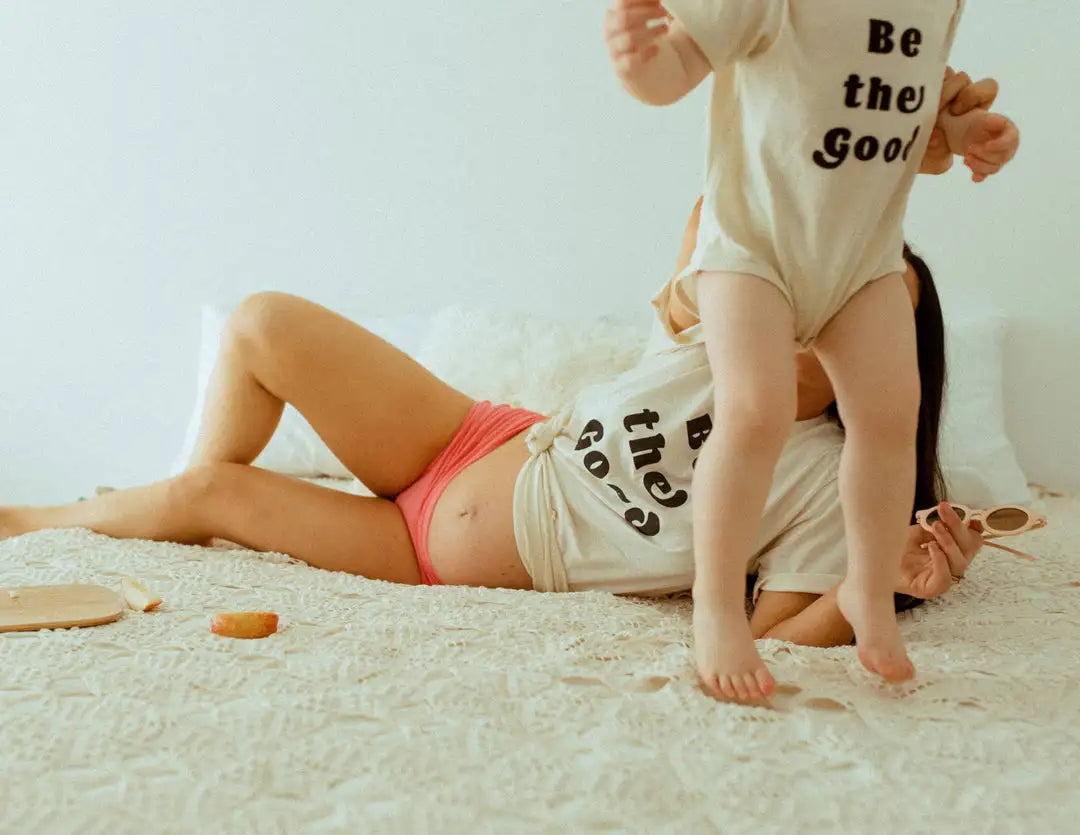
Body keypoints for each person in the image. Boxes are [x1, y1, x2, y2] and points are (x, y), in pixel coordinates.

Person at [0, 70, 1000, 670]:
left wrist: (897, 586)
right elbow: (757, 174)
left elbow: (778, 635)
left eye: (872, 305)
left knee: (221, 489)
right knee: (263, 322)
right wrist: (902, 135)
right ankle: (136, 516)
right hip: (474, 434)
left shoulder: (830, 479)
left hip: (437, 547)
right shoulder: (713, 327)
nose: (830, 316)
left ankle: (92, 518)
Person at [604, 0, 1020, 697]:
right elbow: (674, 70)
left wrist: (967, 130)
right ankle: (715, 609)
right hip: (752, 247)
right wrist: (639, 64)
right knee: (756, 412)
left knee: (891, 415)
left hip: (862, 261)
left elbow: (916, 110)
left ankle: (866, 585)